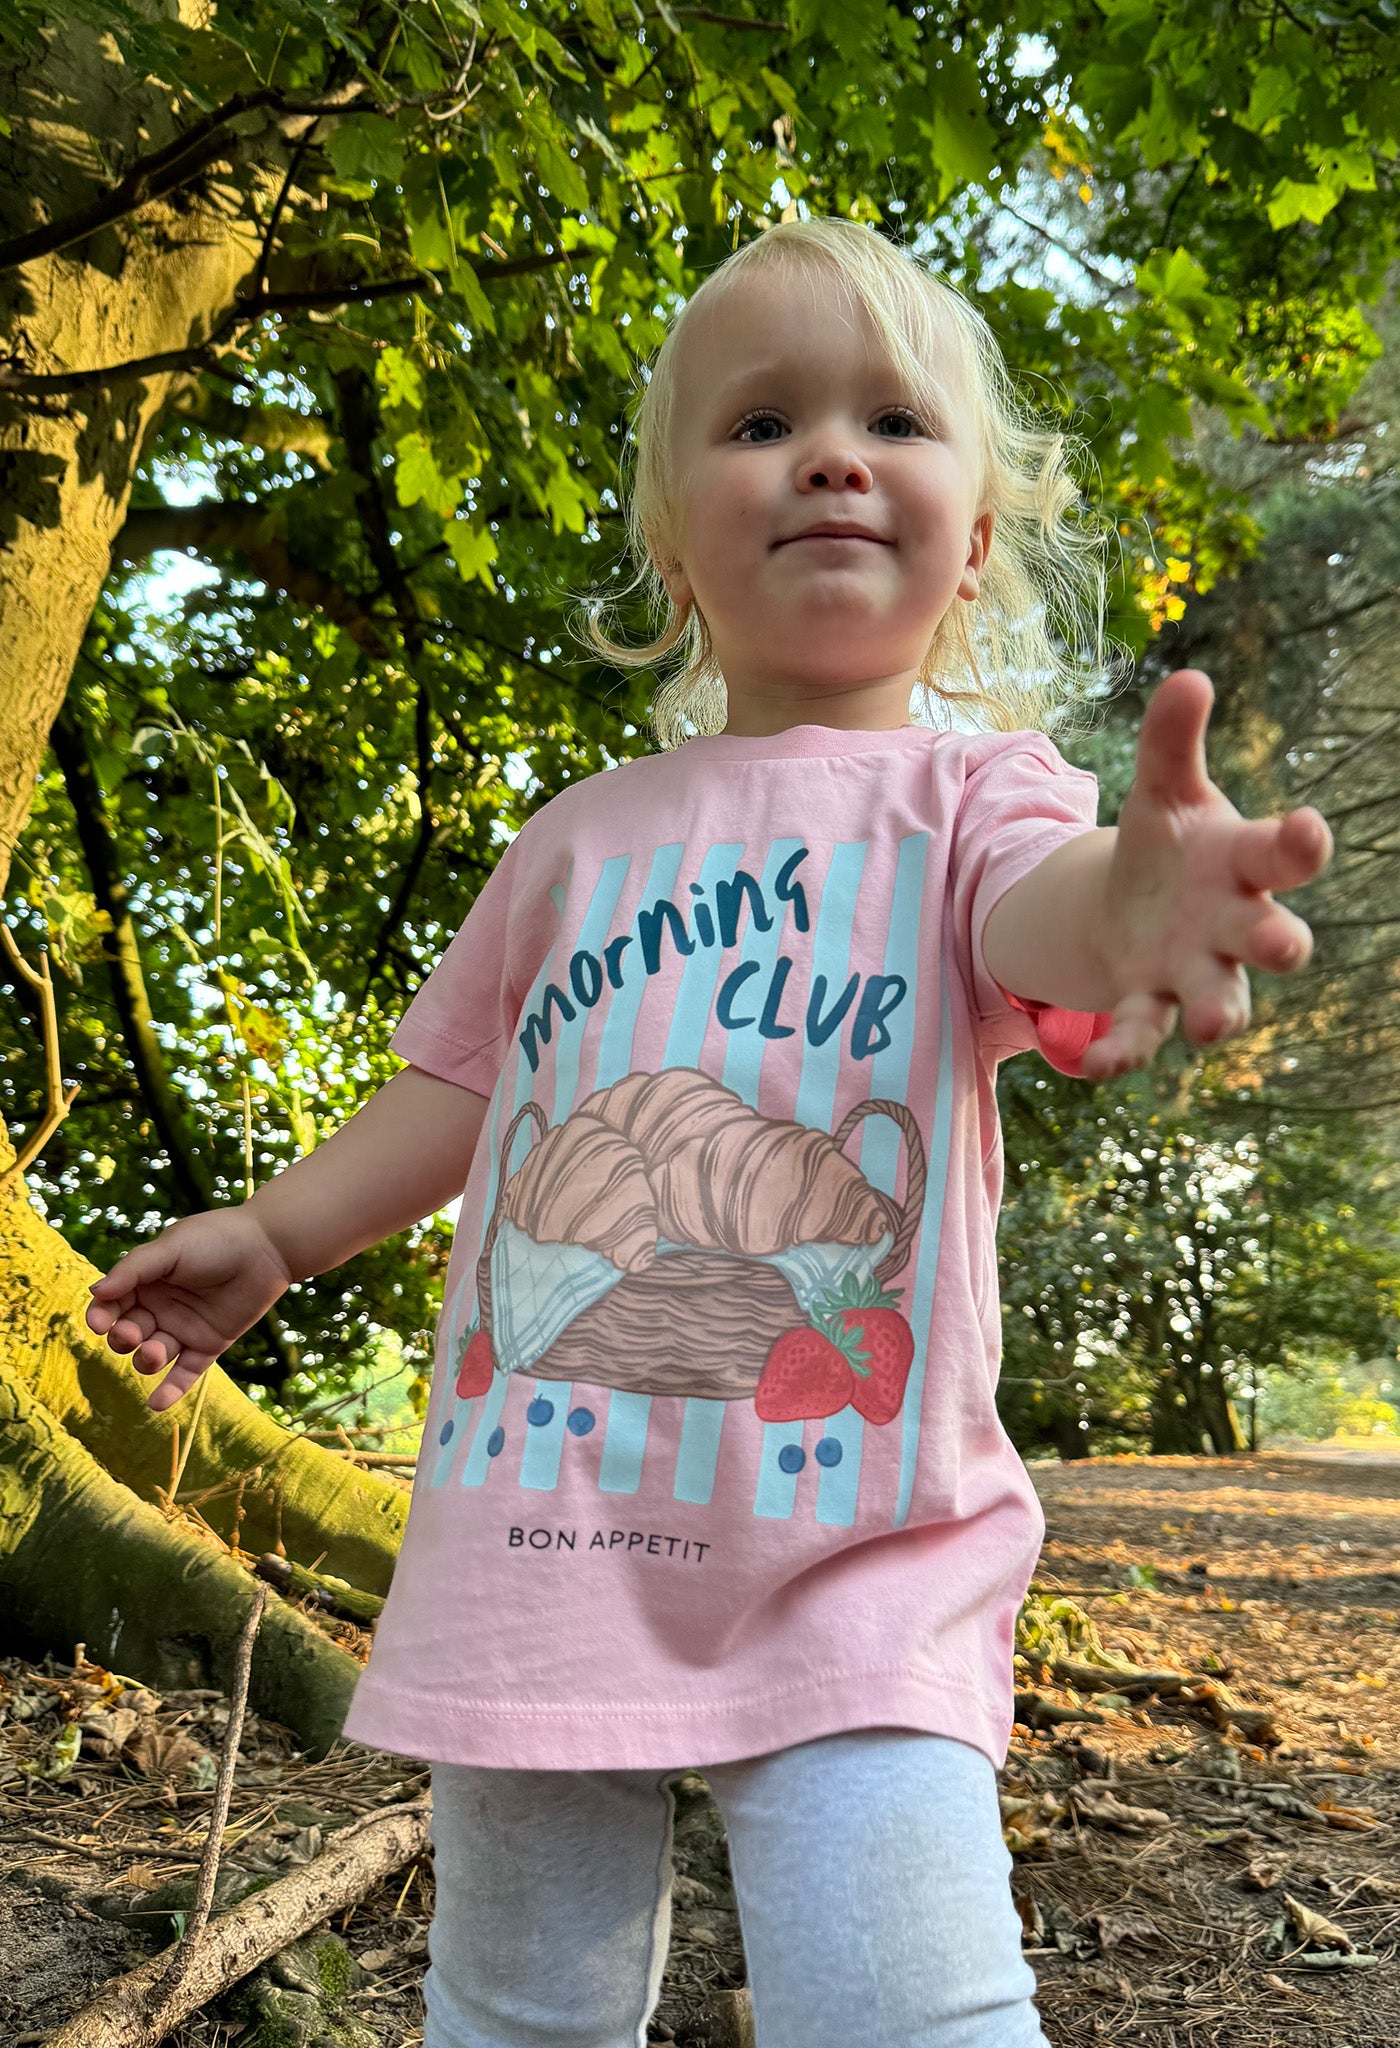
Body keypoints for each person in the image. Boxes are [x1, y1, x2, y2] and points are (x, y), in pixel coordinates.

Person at [85, 218, 1332, 2047]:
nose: (830, 456)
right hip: (541, 1543)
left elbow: (1042, 917)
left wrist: (1136, 905)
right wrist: (278, 1234)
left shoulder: (976, 799)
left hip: (865, 1562)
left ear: (979, 539)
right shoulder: (578, 838)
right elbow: (464, 1090)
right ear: (675, 549)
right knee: (514, 2013)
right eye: (761, 423)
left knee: (908, 2010)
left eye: (893, 420)